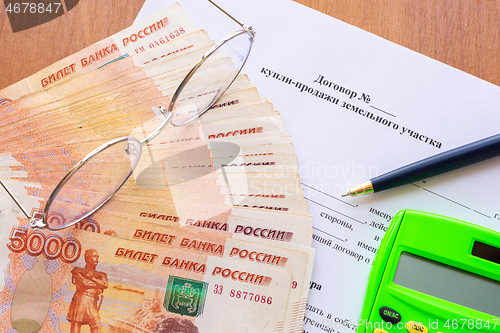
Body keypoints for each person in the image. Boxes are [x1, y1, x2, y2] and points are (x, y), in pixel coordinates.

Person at [67, 249, 108, 333]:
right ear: (88, 258)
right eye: (94, 256)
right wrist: (97, 285)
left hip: (92, 301)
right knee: (76, 322)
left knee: (96, 324)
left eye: (97, 257)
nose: (97, 259)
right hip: (81, 299)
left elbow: (105, 285)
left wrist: (92, 278)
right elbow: (83, 282)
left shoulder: (101, 274)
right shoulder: (77, 270)